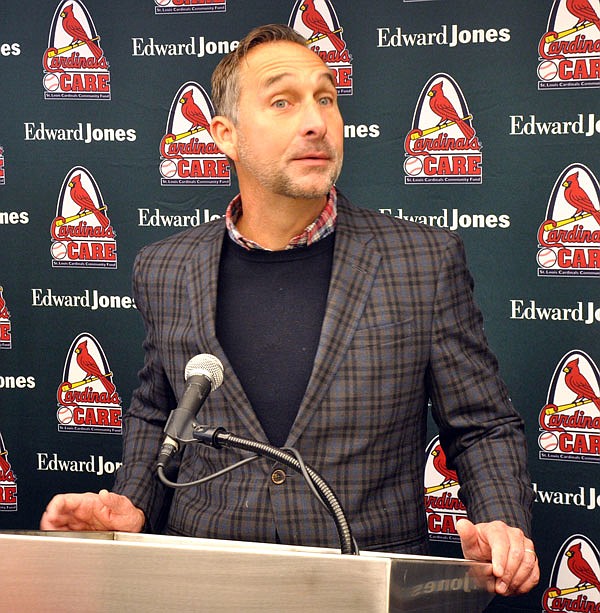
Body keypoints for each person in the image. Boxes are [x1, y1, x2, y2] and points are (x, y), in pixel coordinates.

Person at [41, 24, 539, 596]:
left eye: (326, 98)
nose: (316, 121)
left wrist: (505, 522)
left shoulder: (423, 259)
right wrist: (133, 506)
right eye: (283, 101)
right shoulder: (166, 267)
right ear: (224, 135)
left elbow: (481, 424)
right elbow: (158, 412)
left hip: (362, 589)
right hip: (200, 586)